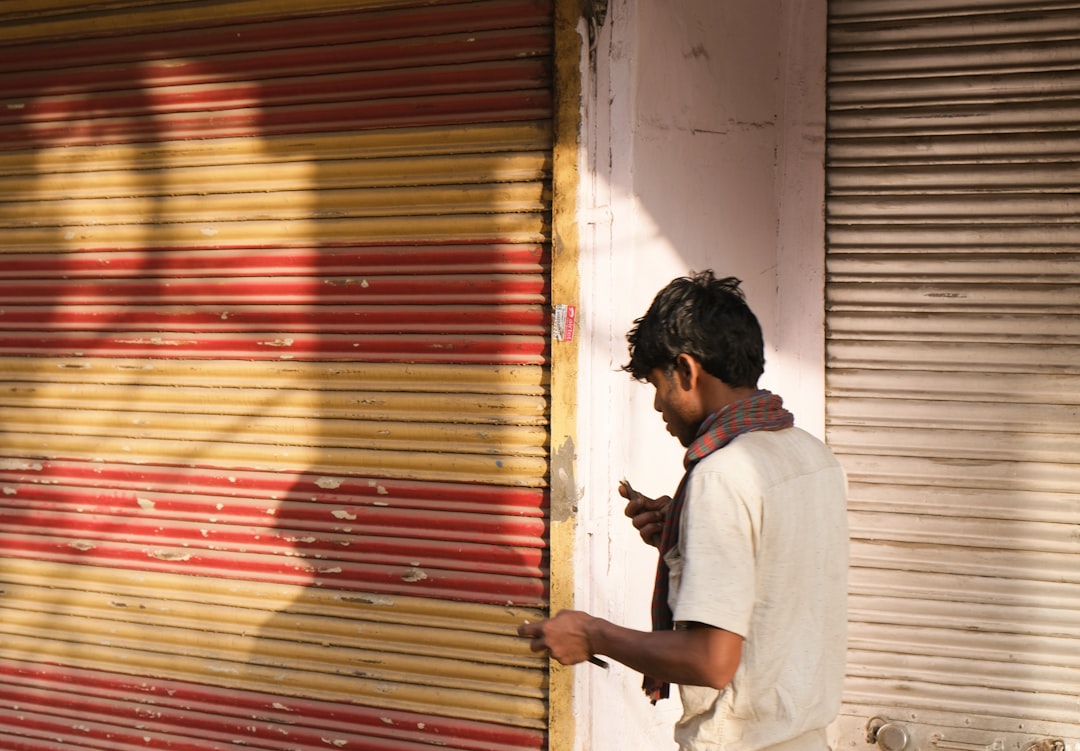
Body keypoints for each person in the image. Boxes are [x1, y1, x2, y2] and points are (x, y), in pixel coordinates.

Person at [518, 270, 849, 751]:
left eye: (658, 385)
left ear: (688, 371)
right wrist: (683, 535)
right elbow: (775, 576)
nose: (659, 405)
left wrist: (592, 634)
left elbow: (711, 660)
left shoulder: (723, 475)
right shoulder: (811, 454)